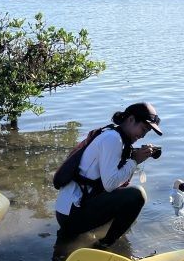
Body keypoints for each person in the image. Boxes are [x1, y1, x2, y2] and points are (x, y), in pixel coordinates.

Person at [55, 102, 162, 250]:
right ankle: (103, 246)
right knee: (137, 195)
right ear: (131, 119)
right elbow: (110, 184)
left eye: (147, 132)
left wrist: (133, 156)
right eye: (143, 129)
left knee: (124, 200)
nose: (143, 135)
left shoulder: (114, 135)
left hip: (69, 210)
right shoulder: (113, 139)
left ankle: (89, 240)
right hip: (72, 215)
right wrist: (135, 160)